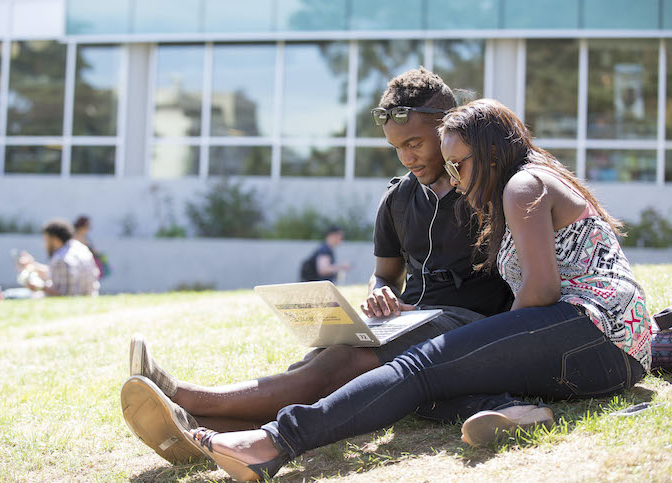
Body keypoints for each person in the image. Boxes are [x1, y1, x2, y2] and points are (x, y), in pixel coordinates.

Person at [177, 99, 654, 481]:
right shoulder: (519, 186)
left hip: (595, 328)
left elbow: (542, 288)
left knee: (421, 365)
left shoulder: (522, 186)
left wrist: (477, 346)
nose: (455, 177)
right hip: (607, 356)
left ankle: (272, 443)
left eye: (459, 164)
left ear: (490, 152)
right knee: (426, 382)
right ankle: (512, 410)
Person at [120, 68, 516, 465]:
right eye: (397, 147)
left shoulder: (487, 189)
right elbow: (385, 273)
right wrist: (379, 291)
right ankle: (201, 428)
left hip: (467, 326)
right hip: (407, 321)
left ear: (448, 128)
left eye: (415, 143)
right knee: (326, 356)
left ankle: (184, 397)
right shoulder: (398, 199)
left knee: (343, 362)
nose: (407, 157)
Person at [0, 218, 100, 302]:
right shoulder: (77, 249)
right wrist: (33, 266)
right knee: (16, 294)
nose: (44, 244)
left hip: (71, 299)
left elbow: (64, 295)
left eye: (45, 240)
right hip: (89, 296)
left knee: (12, 295)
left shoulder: (62, 259)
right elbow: (61, 276)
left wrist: (39, 287)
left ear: (54, 239)